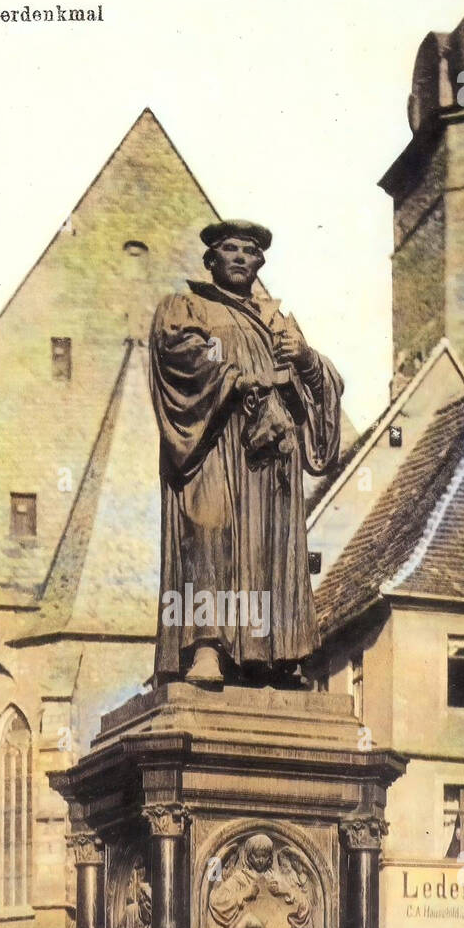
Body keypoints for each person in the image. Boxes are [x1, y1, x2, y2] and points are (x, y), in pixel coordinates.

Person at [150, 219, 344, 688]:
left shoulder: (278, 321)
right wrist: (238, 378)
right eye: (230, 249)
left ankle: (275, 654)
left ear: (260, 263)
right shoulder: (188, 307)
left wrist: (306, 359)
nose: (240, 257)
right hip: (215, 445)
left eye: (249, 252)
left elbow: (326, 386)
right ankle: (207, 647)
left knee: (272, 544)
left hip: (271, 456)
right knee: (210, 530)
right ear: (211, 259)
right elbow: (182, 360)